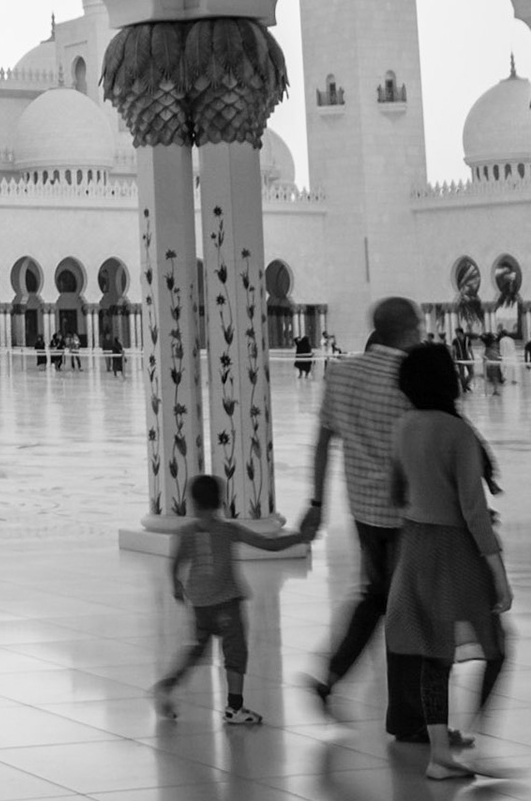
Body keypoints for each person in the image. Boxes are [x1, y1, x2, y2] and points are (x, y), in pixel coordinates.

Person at [304, 297, 428, 739]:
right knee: (404, 610)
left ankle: (333, 677)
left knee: (378, 597)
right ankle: (407, 715)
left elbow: (322, 442)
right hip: (409, 513)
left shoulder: (341, 373)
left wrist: (316, 505)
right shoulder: (411, 376)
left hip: (364, 513)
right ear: (410, 330)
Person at [386, 344, 511, 779]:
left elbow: (395, 492)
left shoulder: (403, 426)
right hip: (455, 551)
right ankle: (473, 738)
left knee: (434, 655)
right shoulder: (457, 433)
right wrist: (499, 575)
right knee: (496, 647)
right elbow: (474, 512)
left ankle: (440, 753)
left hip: (415, 545)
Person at [152, 474, 314, 724]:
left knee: (197, 648)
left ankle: (167, 685)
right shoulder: (228, 530)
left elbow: (175, 564)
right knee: (235, 652)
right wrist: (301, 537)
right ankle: (234, 708)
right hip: (226, 602)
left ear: (192, 502)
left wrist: (177, 587)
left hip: (199, 603)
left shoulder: (185, 533)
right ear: (220, 501)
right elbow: (268, 545)